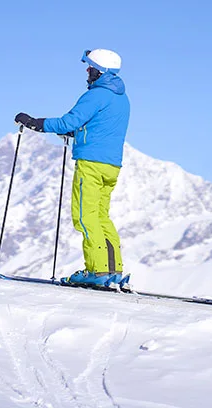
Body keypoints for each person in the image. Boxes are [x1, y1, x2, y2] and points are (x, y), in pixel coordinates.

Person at [15, 49, 131, 287]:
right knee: (101, 217)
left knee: (84, 216)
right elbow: (99, 126)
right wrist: (75, 132)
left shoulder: (96, 95)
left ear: (100, 72)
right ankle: (113, 270)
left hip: (91, 163)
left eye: (90, 68)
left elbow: (70, 121)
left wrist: (35, 123)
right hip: (111, 165)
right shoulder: (121, 98)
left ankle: (97, 271)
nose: (87, 71)